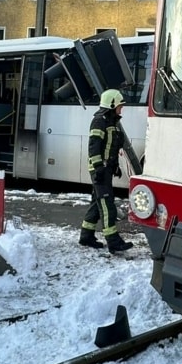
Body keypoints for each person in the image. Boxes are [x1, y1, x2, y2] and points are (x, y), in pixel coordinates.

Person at [79, 88, 133, 253]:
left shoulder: (112, 122)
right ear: (111, 104)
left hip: (106, 168)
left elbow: (112, 147)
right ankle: (113, 241)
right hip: (99, 169)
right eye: (119, 105)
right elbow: (94, 147)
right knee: (107, 204)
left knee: (97, 203)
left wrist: (114, 166)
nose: (121, 109)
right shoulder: (100, 121)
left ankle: (86, 236)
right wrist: (99, 167)